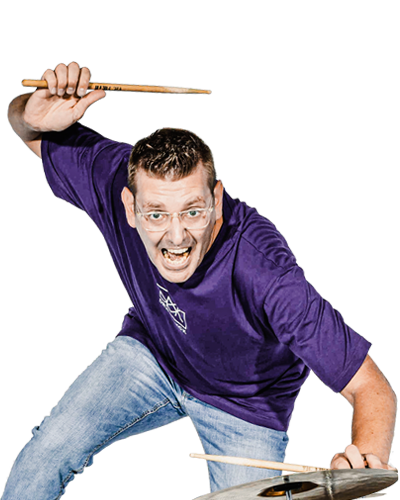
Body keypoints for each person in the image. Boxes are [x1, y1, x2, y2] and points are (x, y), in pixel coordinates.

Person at [4, 62, 397, 499]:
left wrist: (364, 460)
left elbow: (371, 387)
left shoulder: (265, 272)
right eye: (156, 214)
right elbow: (30, 131)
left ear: (217, 200)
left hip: (244, 403)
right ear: (130, 207)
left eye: (193, 211)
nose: (176, 237)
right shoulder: (111, 179)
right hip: (154, 353)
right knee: (45, 452)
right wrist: (28, 113)